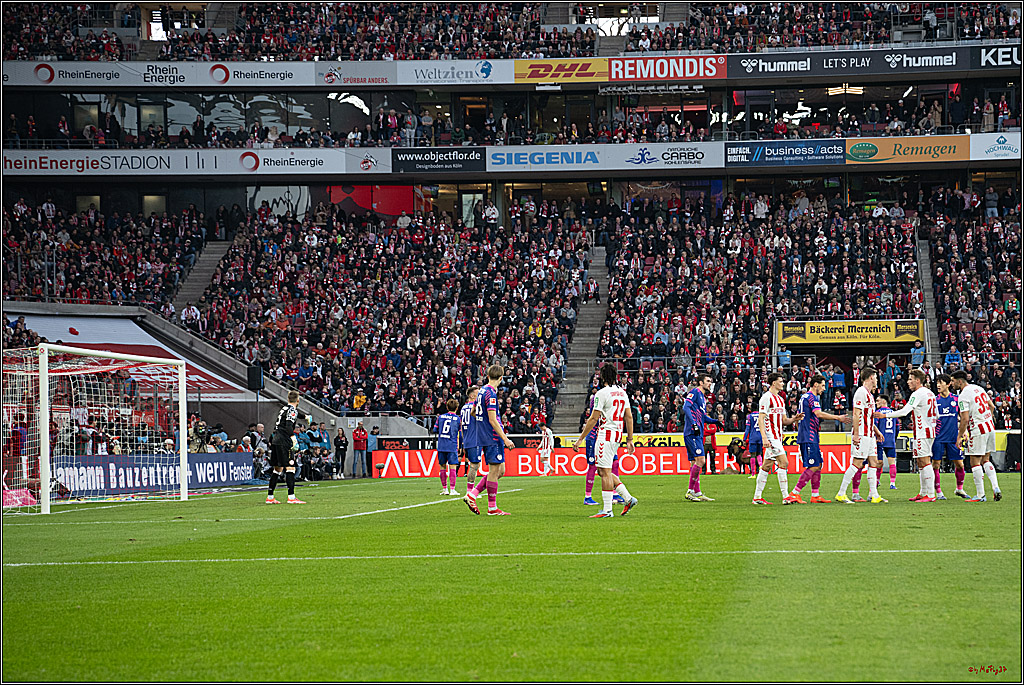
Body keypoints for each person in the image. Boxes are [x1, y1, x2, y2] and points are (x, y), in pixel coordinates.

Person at [573, 363, 638, 518]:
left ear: (602, 377)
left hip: (606, 434)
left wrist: (580, 438)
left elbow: (594, 418)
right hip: (617, 435)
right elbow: (628, 416)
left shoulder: (601, 394)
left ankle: (607, 510)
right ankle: (628, 498)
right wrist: (629, 438)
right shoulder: (622, 393)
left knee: (604, 472)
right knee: (604, 470)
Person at [789, 375, 851, 504]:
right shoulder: (812, 397)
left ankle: (815, 495)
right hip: (808, 436)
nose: (824, 388)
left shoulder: (805, 397)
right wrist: (838, 418)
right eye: (822, 385)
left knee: (818, 465)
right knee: (814, 465)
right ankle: (794, 493)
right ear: (815, 384)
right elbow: (818, 413)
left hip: (810, 434)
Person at [463, 365, 515, 516]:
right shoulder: (491, 394)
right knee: (494, 471)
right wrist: (505, 438)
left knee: (500, 471)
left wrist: (482, 422)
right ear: (500, 378)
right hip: (493, 436)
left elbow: (473, 411)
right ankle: (492, 507)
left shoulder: (481, 392)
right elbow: (493, 420)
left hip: (484, 435)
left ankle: (472, 494)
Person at [884, 369, 938, 501]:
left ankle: (930, 494)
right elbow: (936, 414)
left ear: (917, 381)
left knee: (925, 461)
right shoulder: (929, 393)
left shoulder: (918, 393)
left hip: (922, 432)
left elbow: (904, 411)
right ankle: (923, 492)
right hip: (927, 430)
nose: (908, 382)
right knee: (920, 461)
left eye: (910, 379)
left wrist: (885, 415)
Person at [752, 372, 804, 505]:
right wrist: (764, 437)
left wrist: (794, 419)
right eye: (780, 381)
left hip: (778, 437)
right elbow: (761, 418)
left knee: (766, 465)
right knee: (784, 463)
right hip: (771, 437)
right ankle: (786, 496)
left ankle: (757, 497)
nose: (783, 384)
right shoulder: (766, 398)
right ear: (774, 383)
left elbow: (784, 421)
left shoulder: (780, 399)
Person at [836, 368, 886, 504]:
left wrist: (876, 431)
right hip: (862, 434)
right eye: (875, 377)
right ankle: (841, 493)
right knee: (857, 463)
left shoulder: (869, 394)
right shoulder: (861, 392)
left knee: (873, 462)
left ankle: (874, 495)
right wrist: (856, 434)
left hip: (869, 434)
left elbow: (868, 416)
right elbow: (856, 414)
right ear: (870, 377)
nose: (876, 379)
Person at [950, 370, 1001, 502]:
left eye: (953, 381)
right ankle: (996, 488)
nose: (952, 384)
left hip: (978, 429)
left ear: (960, 381)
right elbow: (992, 406)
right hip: (989, 427)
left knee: (974, 461)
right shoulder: (979, 388)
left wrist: (960, 436)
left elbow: (965, 419)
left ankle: (980, 495)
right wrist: (986, 418)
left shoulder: (963, 396)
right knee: (986, 460)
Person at [682, 373, 722, 502]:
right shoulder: (694, 392)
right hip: (692, 432)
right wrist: (693, 424)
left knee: (695, 463)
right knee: (701, 461)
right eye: (708, 381)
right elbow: (685, 407)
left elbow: (703, 417)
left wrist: (715, 421)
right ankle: (690, 491)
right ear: (701, 383)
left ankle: (697, 492)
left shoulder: (703, 398)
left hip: (697, 432)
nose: (710, 383)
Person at [266, 390, 305, 504]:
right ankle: (291, 497)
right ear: (298, 400)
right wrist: (293, 438)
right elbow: (288, 425)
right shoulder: (292, 410)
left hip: (276, 439)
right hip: (284, 440)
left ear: (288, 399)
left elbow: (294, 414)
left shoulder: (285, 408)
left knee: (278, 469)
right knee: (290, 467)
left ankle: (270, 496)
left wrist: (306, 416)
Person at [933, 374, 967, 499]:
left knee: (960, 464)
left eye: (941, 383)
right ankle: (938, 492)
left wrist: (964, 432)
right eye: (937, 383)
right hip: (938, 438)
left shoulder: (957, 399)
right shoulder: (934, 401)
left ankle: (959, 489)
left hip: (953, 437)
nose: (938, 385)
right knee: (936, 464)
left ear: (948, 384)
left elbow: (964, 417)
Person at [870, 396, 900, 496]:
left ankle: (877, 481)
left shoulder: (878, 413)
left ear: (884, 401)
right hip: (890, 440)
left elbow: (874, 426)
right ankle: (892, 483)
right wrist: (893, 439)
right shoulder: (894, 413)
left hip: (880, 440)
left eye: (878, 400)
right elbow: (897, 428)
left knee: (879, 462)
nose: (876, 402)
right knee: (892, 462)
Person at [435, 399, 461, 496]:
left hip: (441, 445)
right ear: (457, 408)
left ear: (447, 407)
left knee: (442, 467)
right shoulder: (458, 419)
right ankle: (453, 490)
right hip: (452, 445)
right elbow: (459, 433)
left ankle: (445, 489)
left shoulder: (440, 417)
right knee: (452, 467)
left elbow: (434, 429)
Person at [459, 386, 482, 494]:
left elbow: (462, 426)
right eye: (477, 393)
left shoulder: (463, 408)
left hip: (467, 438)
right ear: (472, 395)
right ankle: (470, 491)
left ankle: (471, 490)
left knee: (475, 464)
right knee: (474, 465)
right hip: (475, 439)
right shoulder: (475, 407)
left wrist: (463, 440)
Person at [742, 408, 761, 478]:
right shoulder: (761, 415)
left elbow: (747, 429)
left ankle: (753, 474)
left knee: (753, 455)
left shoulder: (749, 416)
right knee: (759, 454)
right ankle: (761, 465)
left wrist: (744, 439)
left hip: (753, 437)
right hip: (760, 437)